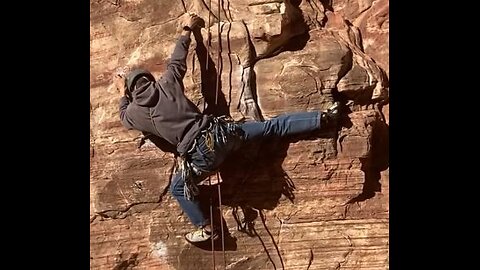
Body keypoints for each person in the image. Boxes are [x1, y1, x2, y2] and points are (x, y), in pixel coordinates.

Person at [114, 13, 341, 243]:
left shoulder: (135, 113)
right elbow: (177, 59)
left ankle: (206, 227)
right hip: (223, 135)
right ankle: (322, 118)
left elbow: (123, 116)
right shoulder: (167, 83)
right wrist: (187, 29)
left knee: (179, 188)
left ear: (133, 91)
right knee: (272, 127)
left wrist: (122, 94)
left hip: (202, 157)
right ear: (149, 80)